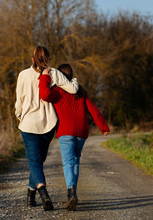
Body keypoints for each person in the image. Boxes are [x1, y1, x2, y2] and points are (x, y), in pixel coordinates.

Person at [15, 46, 79, 210]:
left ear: (32, 58)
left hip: (28, 124)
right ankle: (34, 194)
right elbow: (72, 89)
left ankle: (39, 191)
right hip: (48, 123)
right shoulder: (54, 73)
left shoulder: (23, 75)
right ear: (48, 58)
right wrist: (75, 80)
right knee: (38, 159)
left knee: (35, 160)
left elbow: (19, 100)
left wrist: (19, 115)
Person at [39, 63, 109, 211]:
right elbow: (93, 110)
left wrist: (45, 77)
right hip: (82, 131)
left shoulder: (56, 91)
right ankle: (73, 193)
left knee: (68, 162)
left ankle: (71, 191)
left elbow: (44, 95)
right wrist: (103, 127)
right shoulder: (80, 91)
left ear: (58, 76)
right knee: (76, 161)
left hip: (66, 131)